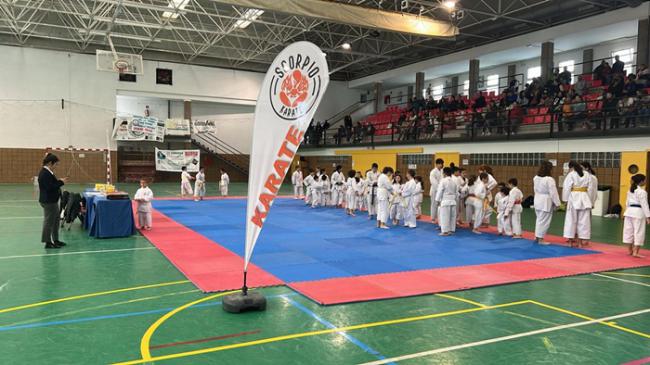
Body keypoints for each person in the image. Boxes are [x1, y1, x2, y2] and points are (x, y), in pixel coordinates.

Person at [562, 161, 595, 248]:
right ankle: (580, 242)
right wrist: (591, 201)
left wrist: (565, 200)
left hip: (573, 197)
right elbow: (591, 189)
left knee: (571, 220)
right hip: (585, 198)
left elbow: (566, 187)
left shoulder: (571, 174)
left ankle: (570, 242)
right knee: (584, 221)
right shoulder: (587, 175)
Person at [38, 153, 68, 249]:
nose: (56, 166)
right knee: (49, 222)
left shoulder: (48, 172)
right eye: (56, 164)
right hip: (48, 201)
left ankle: (55, 240)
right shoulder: (44, 173)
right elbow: (50, 187)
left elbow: (52, 183)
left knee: (55, 221)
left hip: (52, 201)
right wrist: (61, 182)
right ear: (50, 163)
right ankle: (47, 242)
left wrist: (59, 180)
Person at [533, 161, 561, 245]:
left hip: (537, 199)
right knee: (544, 221)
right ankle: (540, 239)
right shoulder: (549, 179)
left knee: (539, 220)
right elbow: (553, 192)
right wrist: (558, 204)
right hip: (545, 201)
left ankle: (537, 237)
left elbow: (535, 189)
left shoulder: (536, 178)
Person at [623, 174, 650, 258]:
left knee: (628, 231)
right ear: (641, 181)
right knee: (638, 232)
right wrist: (648, 216)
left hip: (629, 212)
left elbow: (627, 203)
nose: (645, 181)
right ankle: (635, 252)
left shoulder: (630, 191)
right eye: (644, 180)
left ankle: (630, 251)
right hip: (638, 213)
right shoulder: (642, 192)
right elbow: (645, 205)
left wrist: (625, 212)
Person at [436, 167, 458, 236]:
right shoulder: (454, 181)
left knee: (444, 216)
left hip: (445, 201)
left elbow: (440, 191)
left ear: (444, 173)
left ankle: (445, 231)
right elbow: (456, 192)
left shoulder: (443, 181)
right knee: (452, 216)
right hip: (453, 201)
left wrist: (437, 200)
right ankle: (451, 230)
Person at [429, 158, 444, 224]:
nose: (441, 165)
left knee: (441, 204)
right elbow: (433, 182)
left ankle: (440, 218)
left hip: (442, 190)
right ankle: (433, 218)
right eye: (440, 164)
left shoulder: (442, 171)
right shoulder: (433, 172)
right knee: (434, 204)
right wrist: (439, 189)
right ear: (437, 164)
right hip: (435, 190)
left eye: (442, 164)